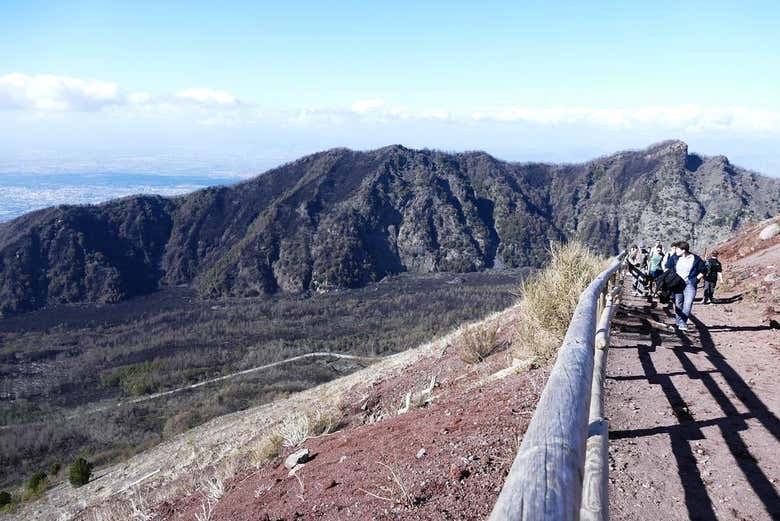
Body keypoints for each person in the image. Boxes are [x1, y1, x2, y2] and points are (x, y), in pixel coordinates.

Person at [665, 241, 707, 331]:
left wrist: (695, 280)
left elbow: (703, 270)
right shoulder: (674, 258)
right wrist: (670, 277)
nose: (675, 251)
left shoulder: (695, 259)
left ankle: (683, 322)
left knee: (688, 303)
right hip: (677, 283)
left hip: (690, 284)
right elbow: (667, 267)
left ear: (683, 250)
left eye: (677, 249)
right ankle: (678, 321)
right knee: (678, 303)